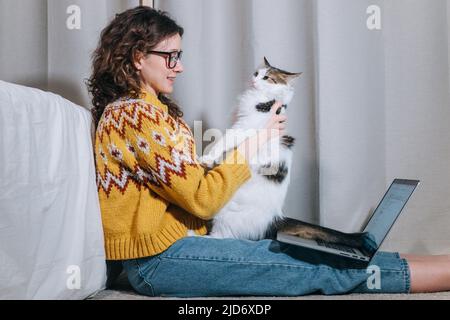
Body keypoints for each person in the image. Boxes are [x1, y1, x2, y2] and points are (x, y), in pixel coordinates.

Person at [88, 6, 450, 297]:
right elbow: (201, 199)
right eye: (170, 56)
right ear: (137, 57)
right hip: (159, 262)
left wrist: (249, 140)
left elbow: (190, 184)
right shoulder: (131, 115)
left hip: (182, 246)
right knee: (314, 268)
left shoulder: (156, 112)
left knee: (324, 250)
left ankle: (433, 262)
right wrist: (253, 143)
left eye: (179, 55)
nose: (179, 66)